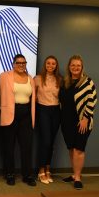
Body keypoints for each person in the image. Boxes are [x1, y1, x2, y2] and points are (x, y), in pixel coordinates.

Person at [60, 55, 97, 190]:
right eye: (73, 65)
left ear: (82, 67)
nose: (75, 68)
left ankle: (78, 177)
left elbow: (92, 101)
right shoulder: (65, 82)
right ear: (69, 67)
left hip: (82, 122)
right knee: (71, 148)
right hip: (66, 121)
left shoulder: (87, 82)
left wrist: (85, 119)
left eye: (78, 65)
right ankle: (74, 174)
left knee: (79, 149)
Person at [0, 54, 36, 187]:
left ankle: (27, 175)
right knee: (9, 147)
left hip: (26, 116)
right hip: (10, 115)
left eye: (23, 63)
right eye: (18, 63)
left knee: (27, 147)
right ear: (13, 63)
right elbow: (0, 93)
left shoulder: (30, 79)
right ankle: (10, 174)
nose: (21, 65)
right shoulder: (4, 76)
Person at [34, 55, 62, 184]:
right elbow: (33, 99)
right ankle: (40, 170)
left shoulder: (60, 79)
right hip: (42, 110)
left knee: (51, 142)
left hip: (56, 111)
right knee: (45, 141)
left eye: (53, 64)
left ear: (56, 66)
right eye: (48, 63)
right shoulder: (38, 79)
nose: (50, 66)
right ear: (45, 65)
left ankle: (48, 168)